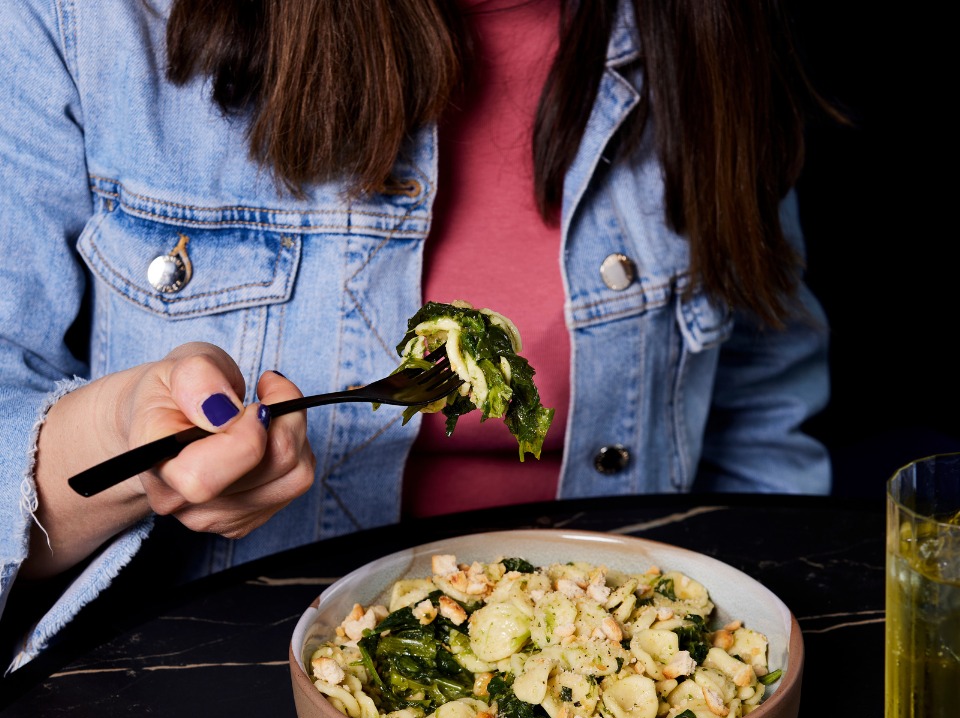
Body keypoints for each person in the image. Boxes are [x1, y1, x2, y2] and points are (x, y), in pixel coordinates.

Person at [0, 0, 835, 671]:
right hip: (218, 702)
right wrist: (125, 441)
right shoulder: (88, 21)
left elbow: (761, 407)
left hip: (613, 703)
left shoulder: (710, 29)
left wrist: (736, 649)